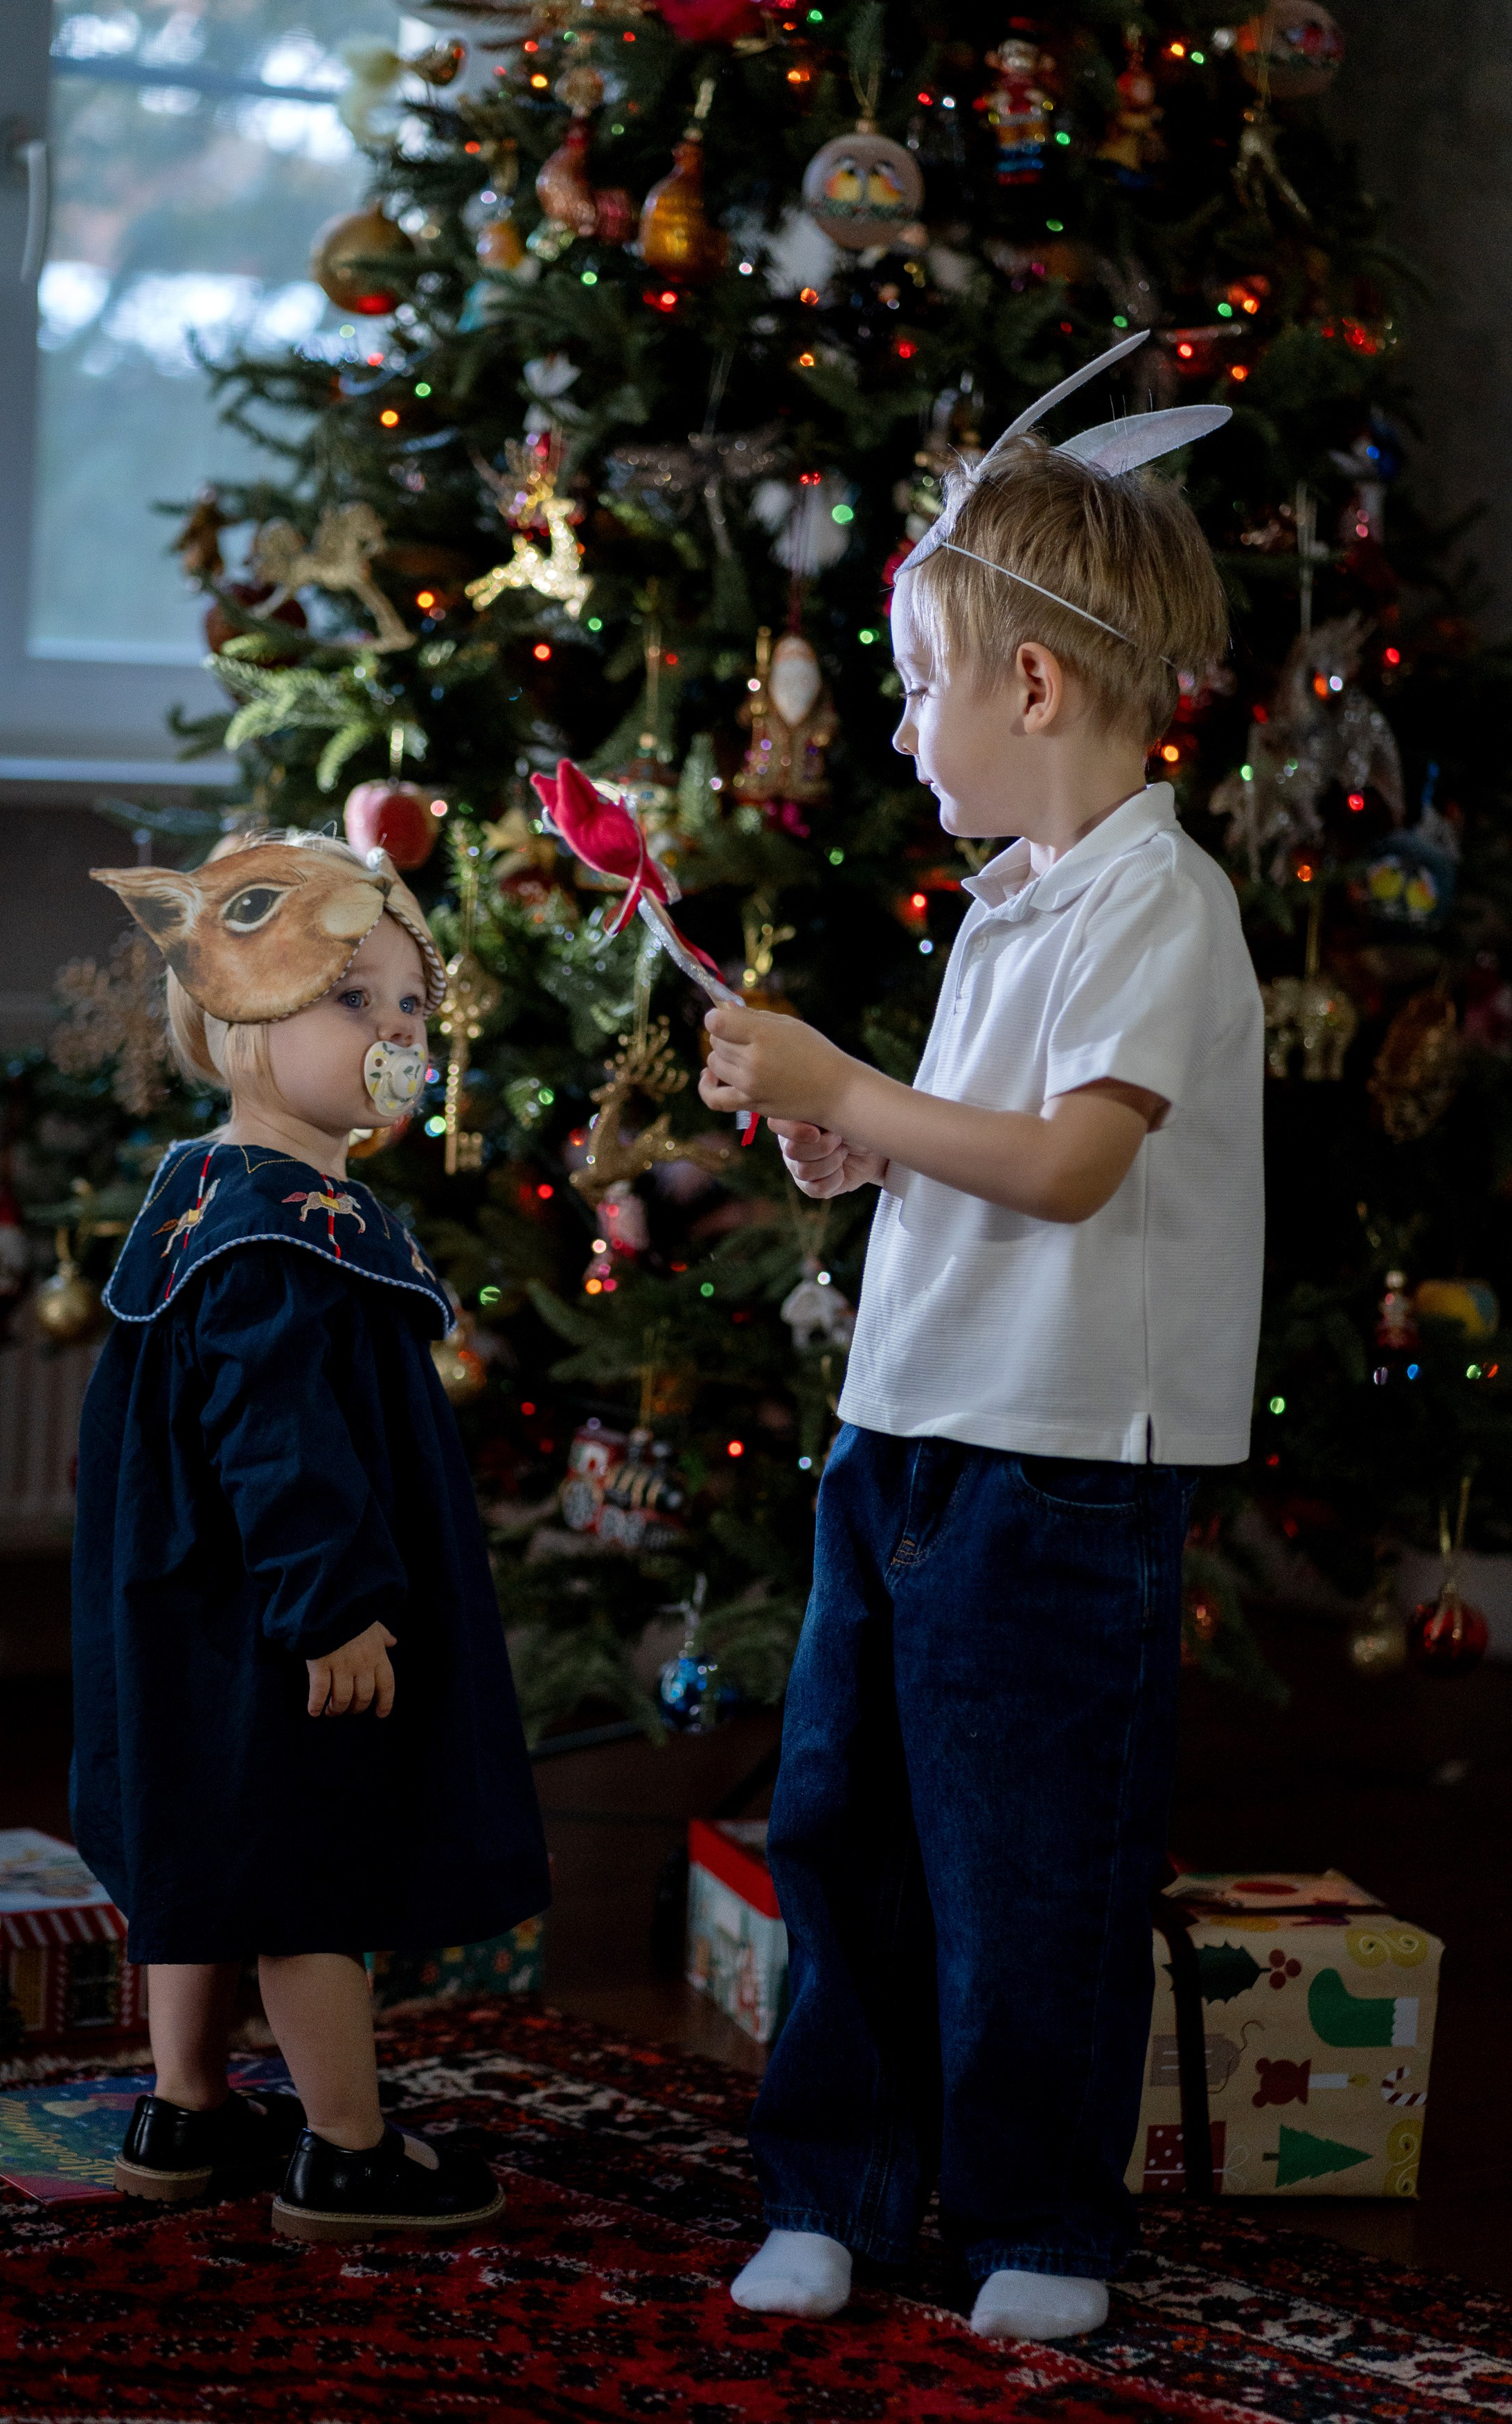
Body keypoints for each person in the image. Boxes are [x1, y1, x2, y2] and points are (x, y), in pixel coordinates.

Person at [698, 342, 1262, 2341]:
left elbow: (1067, 1168)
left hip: (1058, 1466)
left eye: (922, 681)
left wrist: (849, 1079)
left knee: (1036, 1866)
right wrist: (847, 1143)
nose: (901, 723)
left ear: (1030, 687)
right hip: (903, 1429)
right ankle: (835, 2184)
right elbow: (962, 1156)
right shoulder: (1004, 908)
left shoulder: (1158, 908)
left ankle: (1039, 2218)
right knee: (845, 1834)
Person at [71, 830, 550, 2242]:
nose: (399, 1033)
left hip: (194, 1622)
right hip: (281, 1621)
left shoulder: (212, 1194)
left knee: (204, 1859)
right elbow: (277, 1439)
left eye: (411, 1005)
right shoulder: (278, 1229)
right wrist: (332, 1601)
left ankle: (187, 2106)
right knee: (308, 1872)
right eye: (355, 1002)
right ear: (242, 1019)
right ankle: (345, 2145)